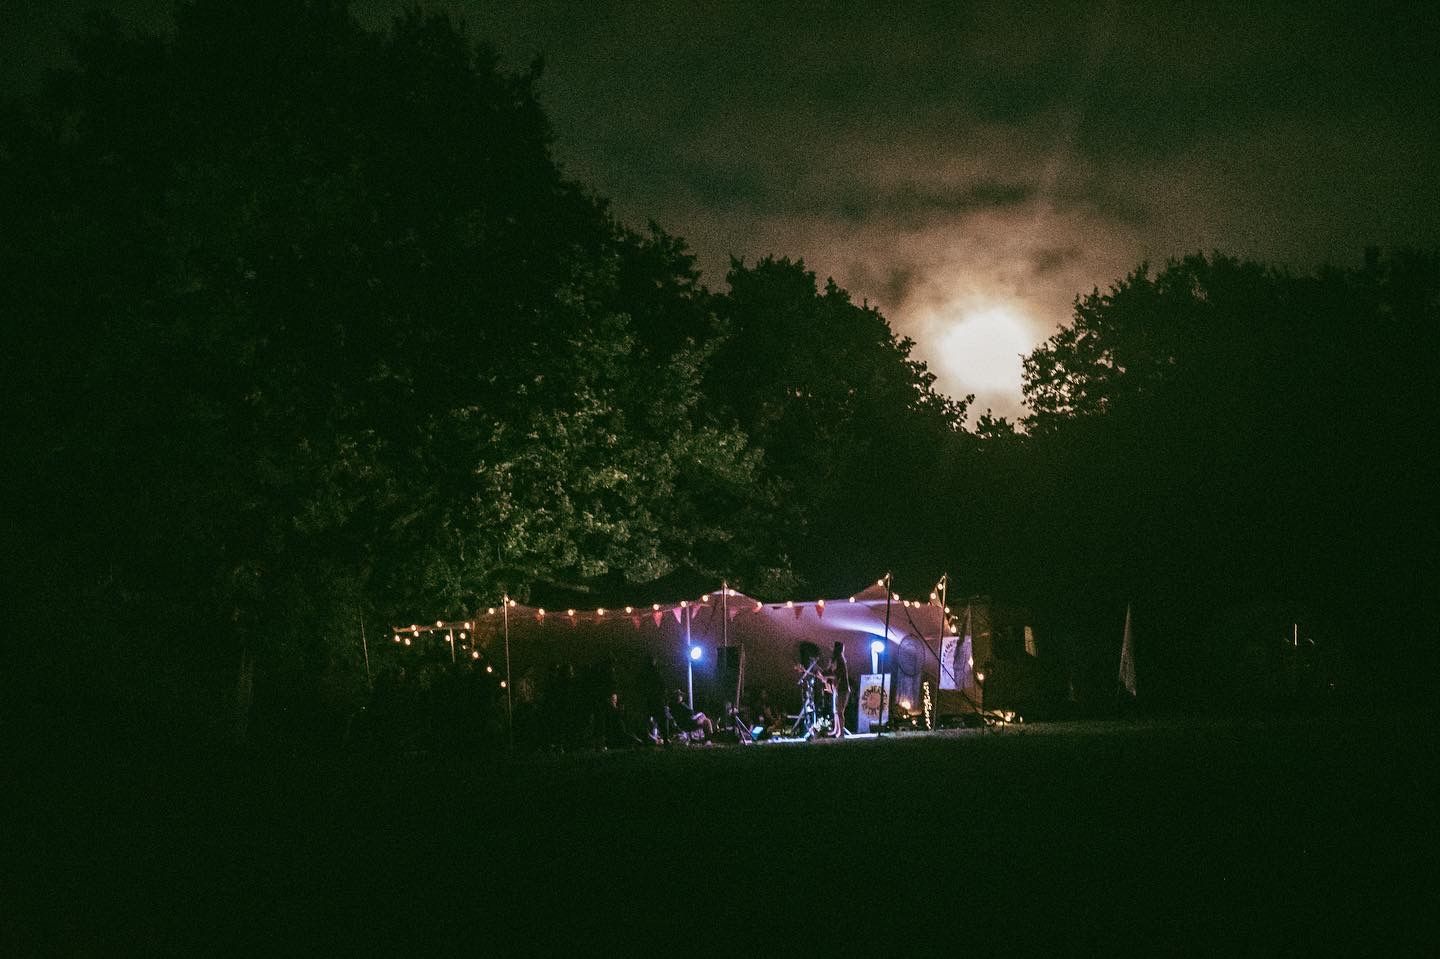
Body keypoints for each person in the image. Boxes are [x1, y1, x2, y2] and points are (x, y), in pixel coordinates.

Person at [827, 641, 850, 738]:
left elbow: (837, 674)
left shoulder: (839, 660)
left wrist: (826, 675)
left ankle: (841, 732)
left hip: (842, 689)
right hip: (838, 689)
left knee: (839, 711)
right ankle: (836, 730)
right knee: (836, 711)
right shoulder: (838, 660)